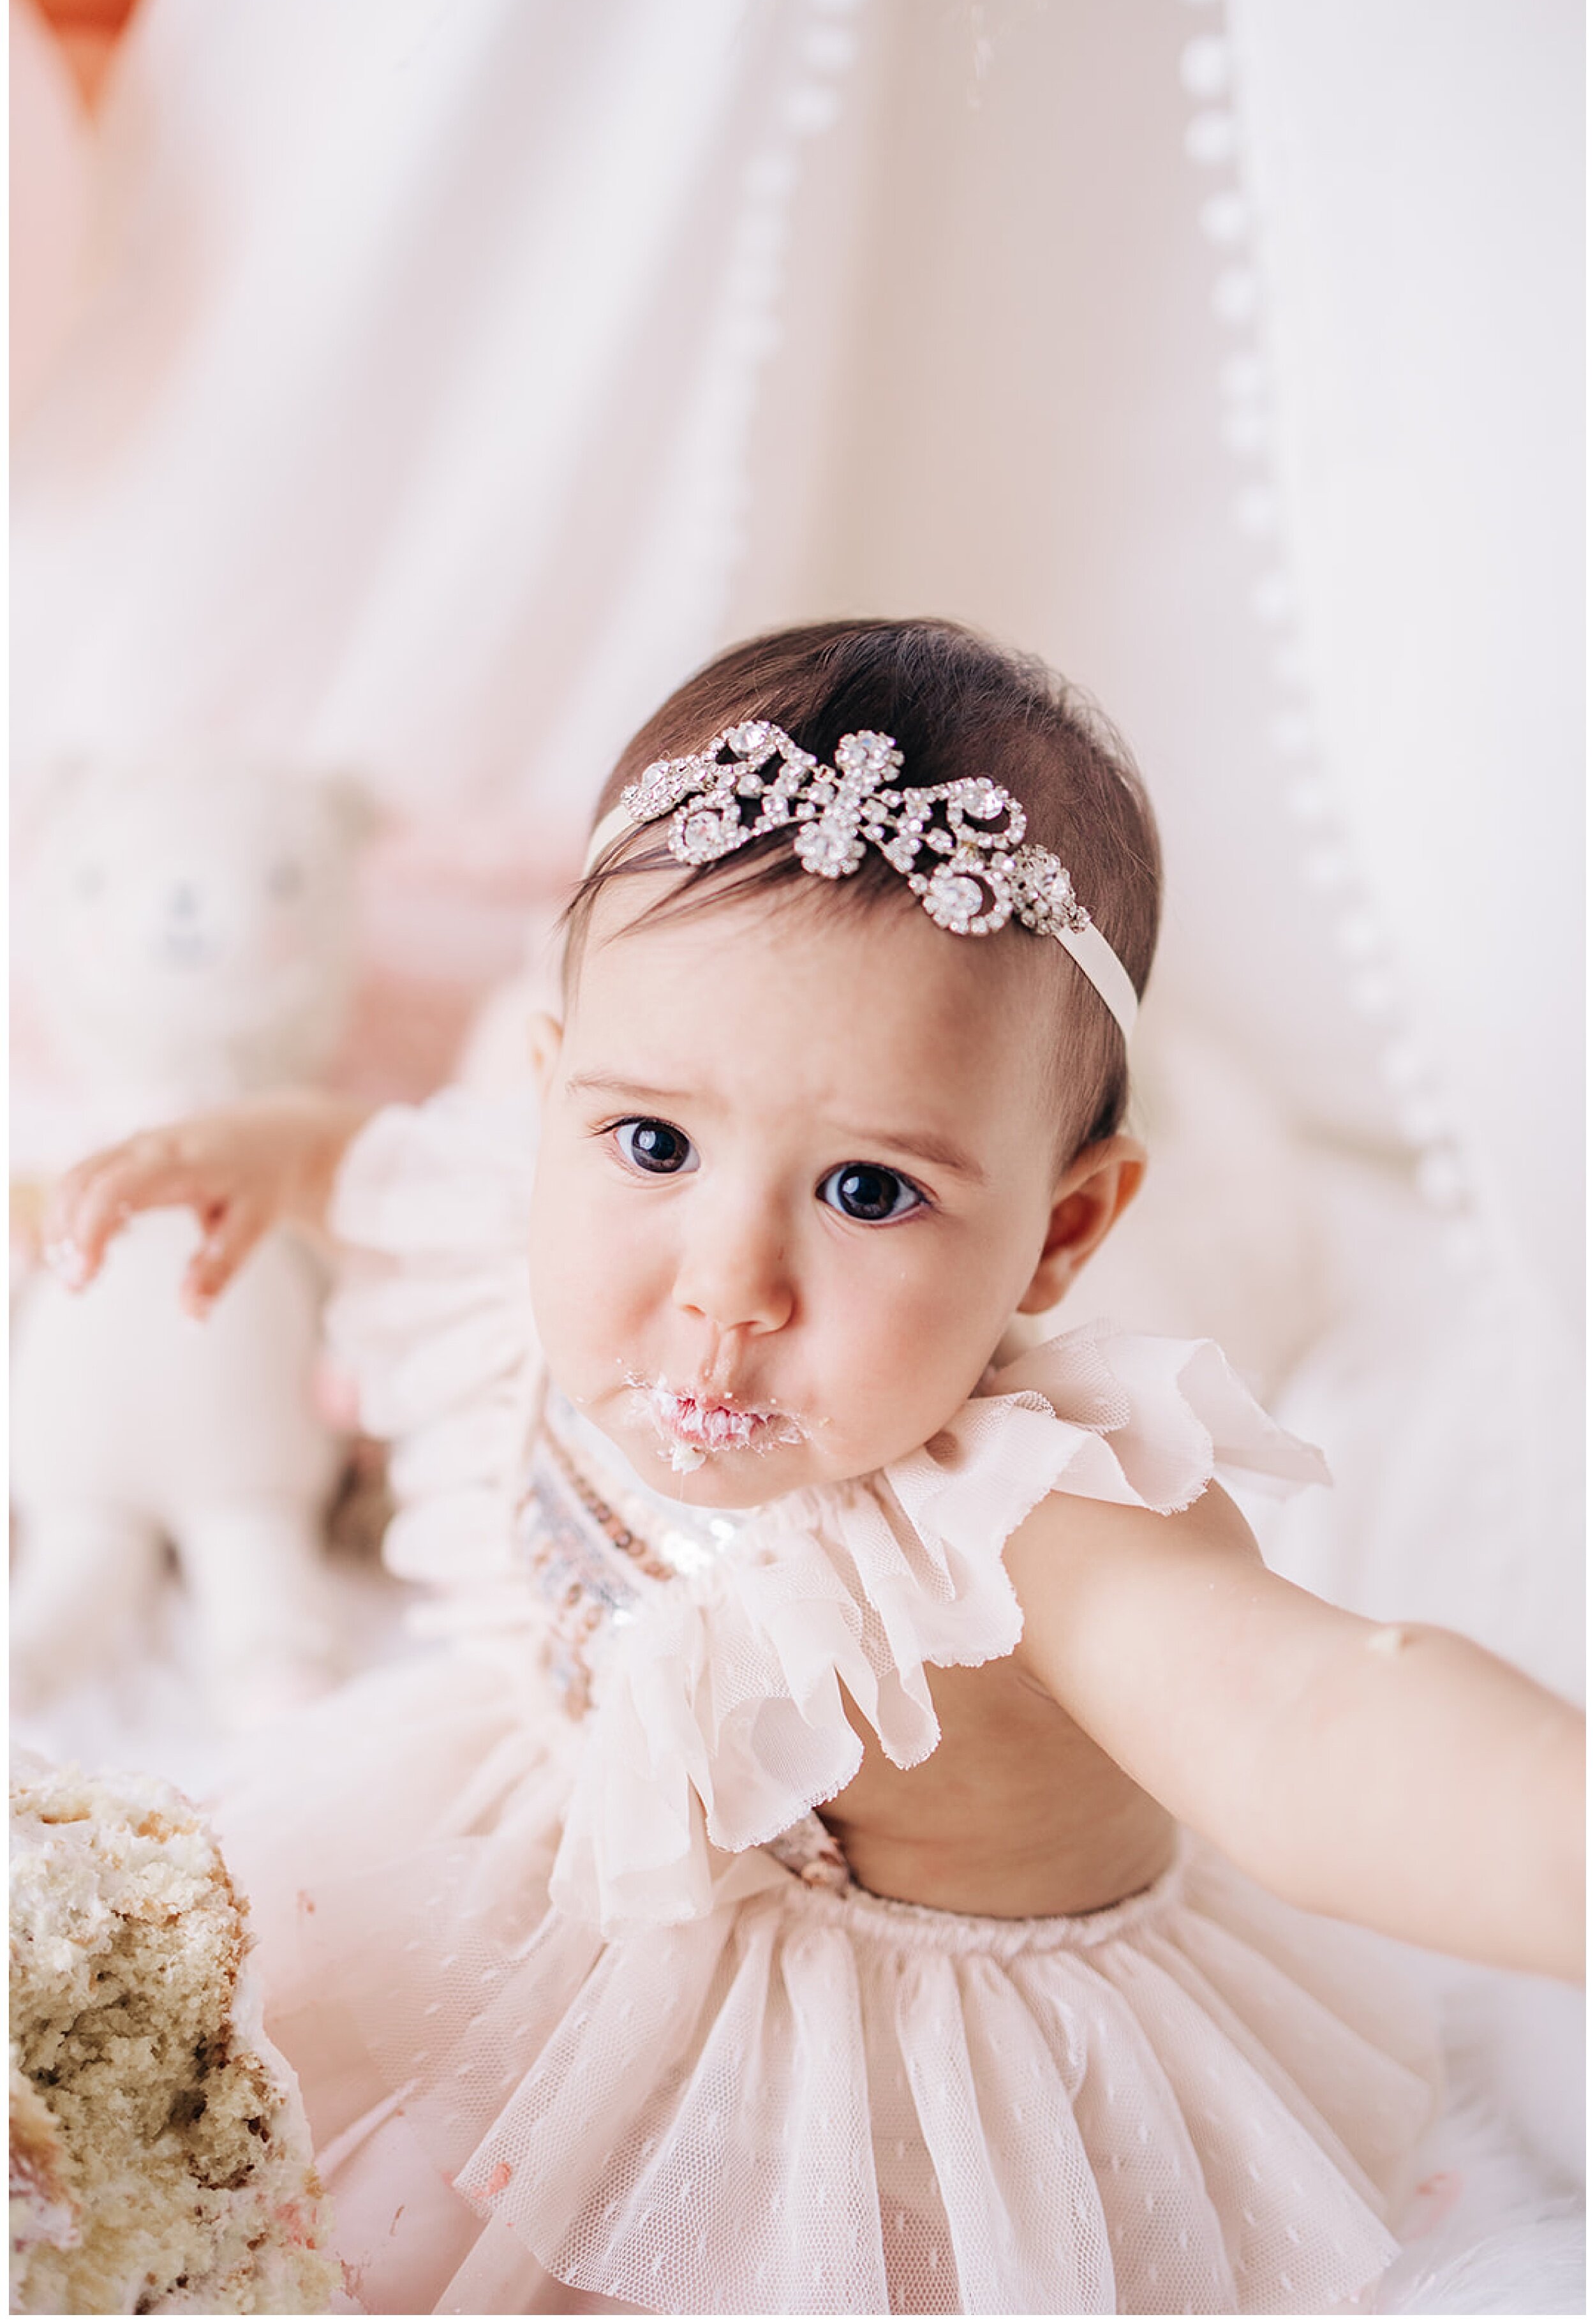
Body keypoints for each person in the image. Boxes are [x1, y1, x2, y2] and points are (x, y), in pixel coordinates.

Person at [43, 619, 1582, 2317]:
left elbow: (1304, 1717)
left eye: (865, 1192)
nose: (725, 1282)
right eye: (650, 1144)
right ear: (557, 1102)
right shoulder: (533, 1237)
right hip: (528, 1878)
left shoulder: (1026, 1513)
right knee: (221, 2100)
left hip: (870, 2096)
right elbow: (386, 1173)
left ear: (1061, 1232)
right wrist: (267, 1157)